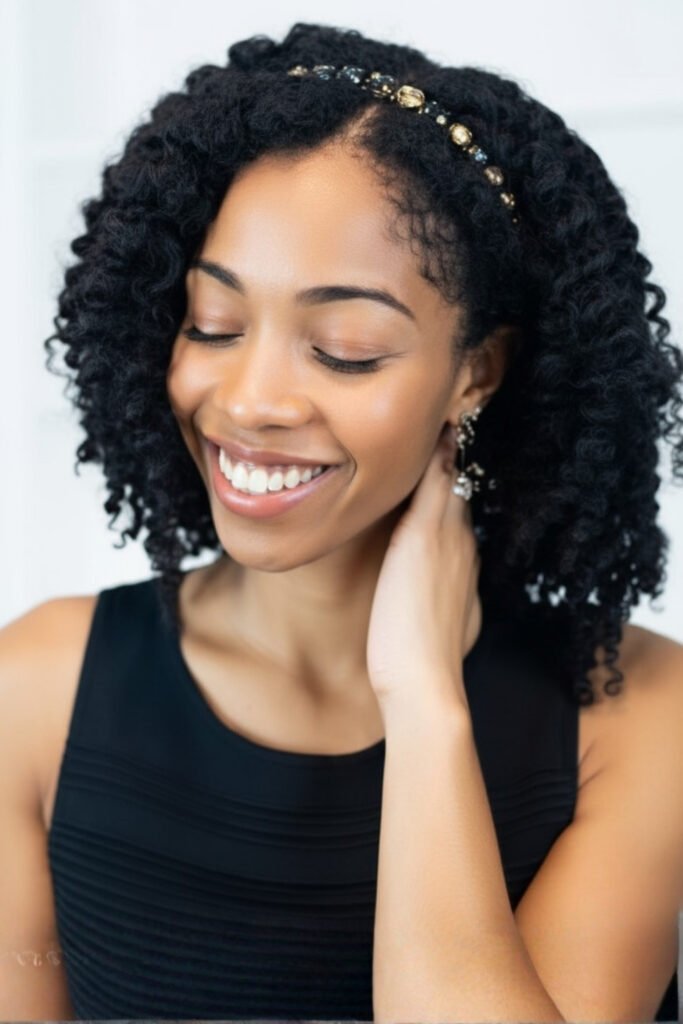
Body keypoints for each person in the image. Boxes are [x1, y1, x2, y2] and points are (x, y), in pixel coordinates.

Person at [1, 20, 682, 1022]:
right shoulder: (33, 695)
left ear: (475, 374)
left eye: (346, 347)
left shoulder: (636, 716)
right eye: (213, 324)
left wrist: (419, 699)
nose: (250, 399)